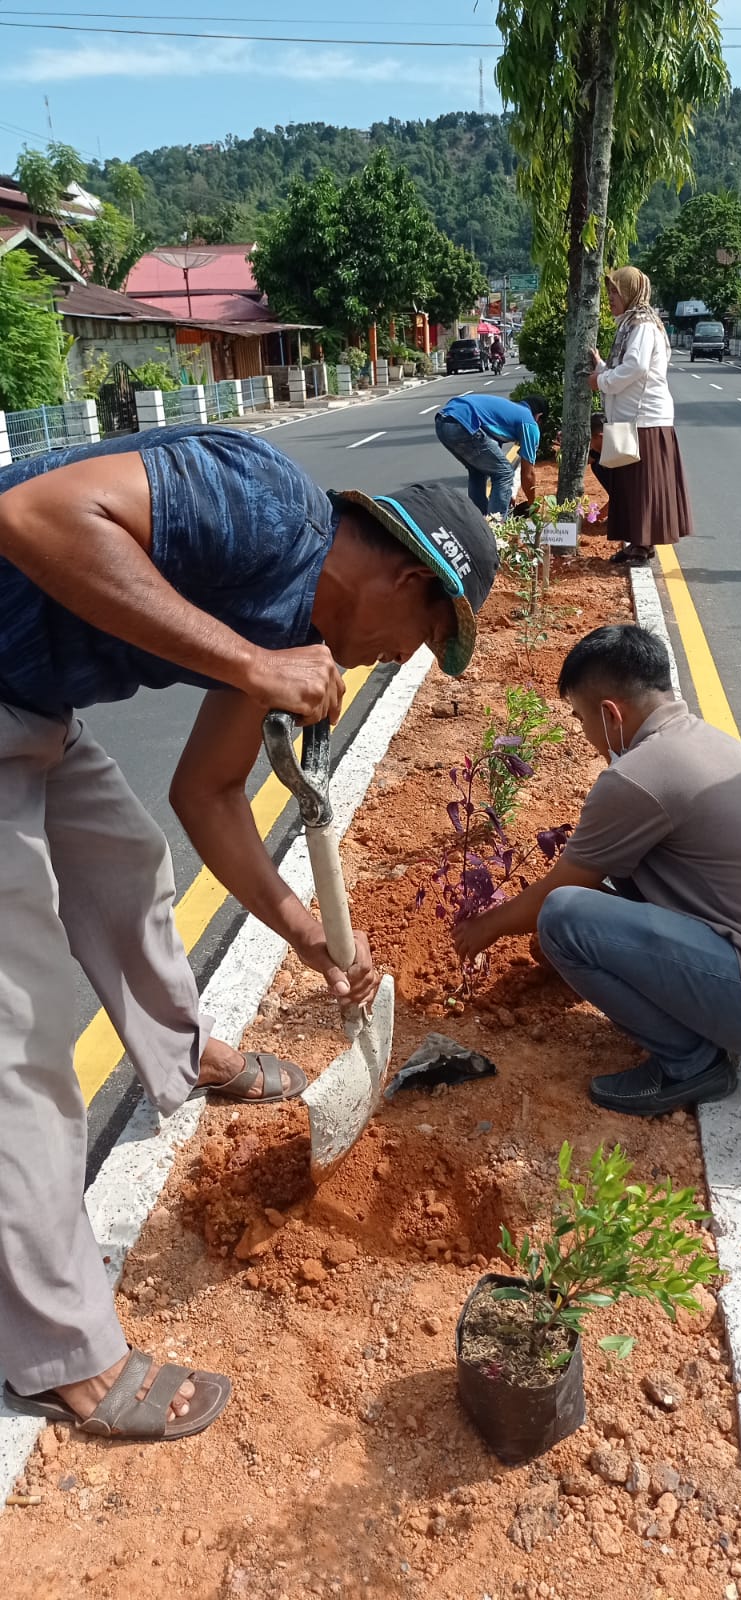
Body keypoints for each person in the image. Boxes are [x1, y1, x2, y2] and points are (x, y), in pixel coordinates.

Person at [0, 424, 498, 1442]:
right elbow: (32, 514)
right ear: (405, 579)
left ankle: (183, 1055)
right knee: (18, 1029)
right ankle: (63, 1356)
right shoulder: (264, 504)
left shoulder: (286, 622)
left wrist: (306, 929)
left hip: (34, 702)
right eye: (413, 641)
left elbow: (208, 790)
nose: (393, 660)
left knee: (127, 867)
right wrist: (250, 663)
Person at [454, 625, 741, 1118]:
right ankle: (703, 1027)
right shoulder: (696, 741)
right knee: (611, 886)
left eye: (580, 719)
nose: (584, 734)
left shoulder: (638, 777)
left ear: (611, 714)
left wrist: (483, 929)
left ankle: (692, 1063)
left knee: (562, 917)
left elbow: (562, 893)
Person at [589, 267, 693, 565]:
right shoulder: (630, 324)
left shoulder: (643, 325)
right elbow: (625, 366)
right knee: (630, 485)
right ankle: (638, 543)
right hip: (630, 419)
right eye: (609, 292)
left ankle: (643, 545)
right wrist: (601, 367)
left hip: (645, 419)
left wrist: (601, 381)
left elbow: (636, 367)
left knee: (642, 486)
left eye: (615, 292)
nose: (610, 298)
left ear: (630, 293)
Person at [434, 391, 547, 517]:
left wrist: (504, 495)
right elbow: (528, 474)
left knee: (478, 471)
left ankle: (479, 522)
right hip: (464, 422)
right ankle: (495, 527)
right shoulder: (529, 422)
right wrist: (533, 505)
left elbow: (493, 463)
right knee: (505, 473)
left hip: (443, 421)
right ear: (538, 417)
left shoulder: (508, 414)